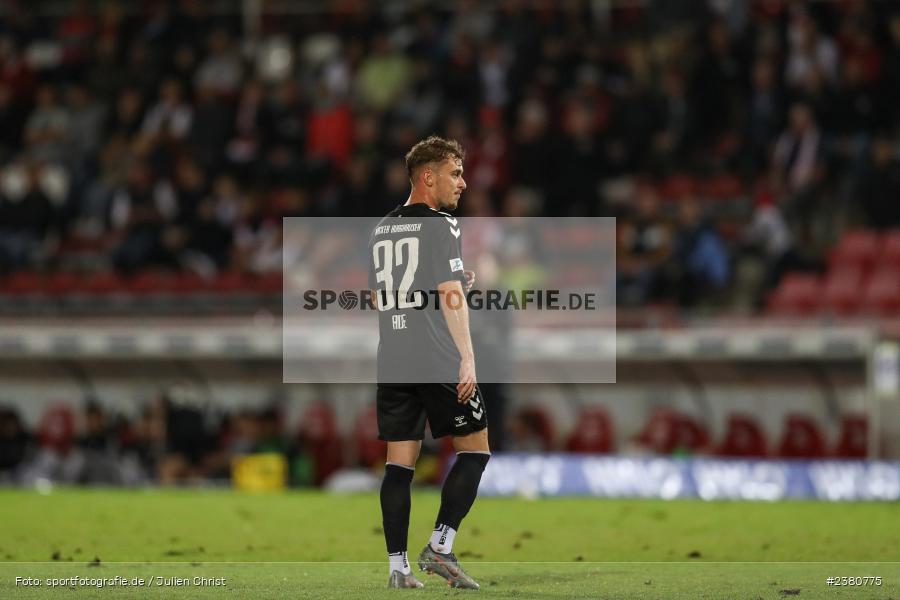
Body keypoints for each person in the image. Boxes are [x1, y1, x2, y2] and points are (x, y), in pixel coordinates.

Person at [368, 136, 489, 590]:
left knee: (399, 465)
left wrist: (452, 280)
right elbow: (449, 294)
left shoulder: (381, 228)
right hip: (437, 356)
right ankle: (440, 547)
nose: (463, 182)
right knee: (476, 450)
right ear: (427, 177)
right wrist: (467, 359)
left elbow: (382, 298)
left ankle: (397, 570)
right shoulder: (441, 225)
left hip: (394, 358)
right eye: (454, 173)